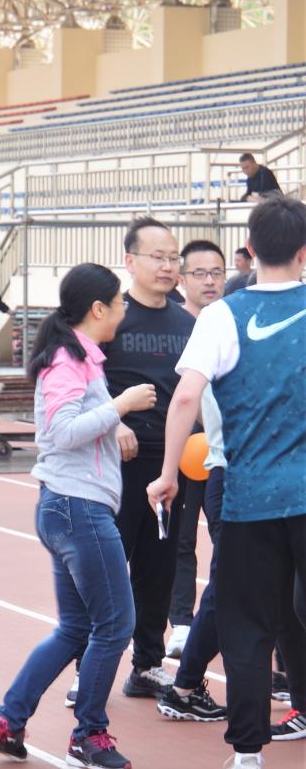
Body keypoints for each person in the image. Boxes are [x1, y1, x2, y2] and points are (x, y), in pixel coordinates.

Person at [148, 196, 306, 769]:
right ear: (304, 252)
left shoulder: (221, 316)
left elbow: (186, 397)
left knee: (248, 628)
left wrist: (167, 473)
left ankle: (247, 760)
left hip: (248, 500)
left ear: (249, 250)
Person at [0, 265, 157, 769]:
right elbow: (60, 432)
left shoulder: (82, 358)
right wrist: (120, 407)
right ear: (98, 309)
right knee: (116, 624)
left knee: (76, 628)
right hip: (77, 507)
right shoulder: (67, 360)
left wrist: (111, 420)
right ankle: (89, 734)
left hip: (69, 505)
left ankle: (8, 720)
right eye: (119, 302)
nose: (124, 310)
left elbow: (75, 426)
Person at [98, 216, 195, 702]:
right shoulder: (110, 317)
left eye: (173, 258)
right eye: (158, 257)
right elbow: (82, 381)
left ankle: (148, 665)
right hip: (118, 461)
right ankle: (89, 667)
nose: (167, 266)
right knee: (108, 565)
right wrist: (112, 419)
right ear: (130, 261)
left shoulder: (188, 323)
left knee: (158, 568)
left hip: (169, 462)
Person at [165, 241, 224, 657]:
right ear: (182, 279)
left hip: (222, 452)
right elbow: (181, 394)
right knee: (181, 541)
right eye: (200, 273)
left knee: (229, 543)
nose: (209, 281)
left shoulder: (232, 321)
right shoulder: (173, 325)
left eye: (216, 272)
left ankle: (222, 620)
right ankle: (182, 622)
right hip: (183, 449)